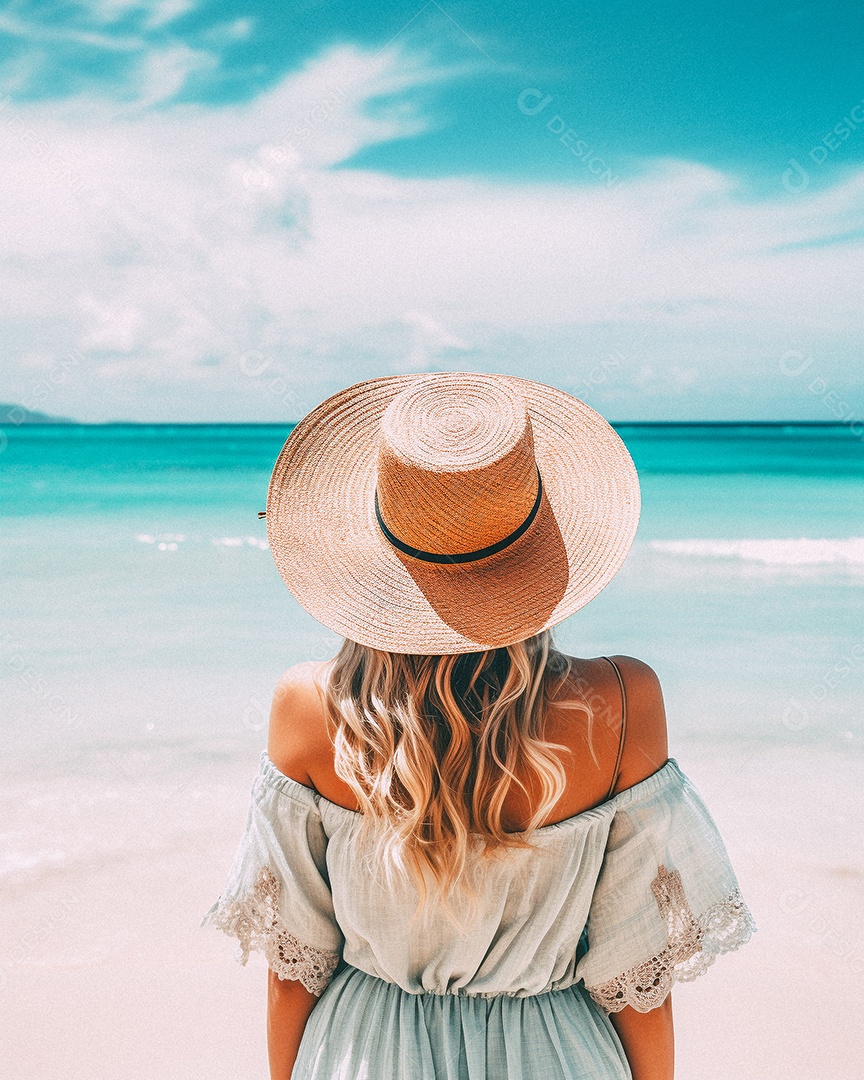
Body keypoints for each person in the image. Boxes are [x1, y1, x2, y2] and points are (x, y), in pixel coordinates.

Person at [202, 372, 757, 1079]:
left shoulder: (308, 707)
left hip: (362, 1055)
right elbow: (636, 976)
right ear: (544, 545)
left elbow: (294, 969)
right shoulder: (623, 701)